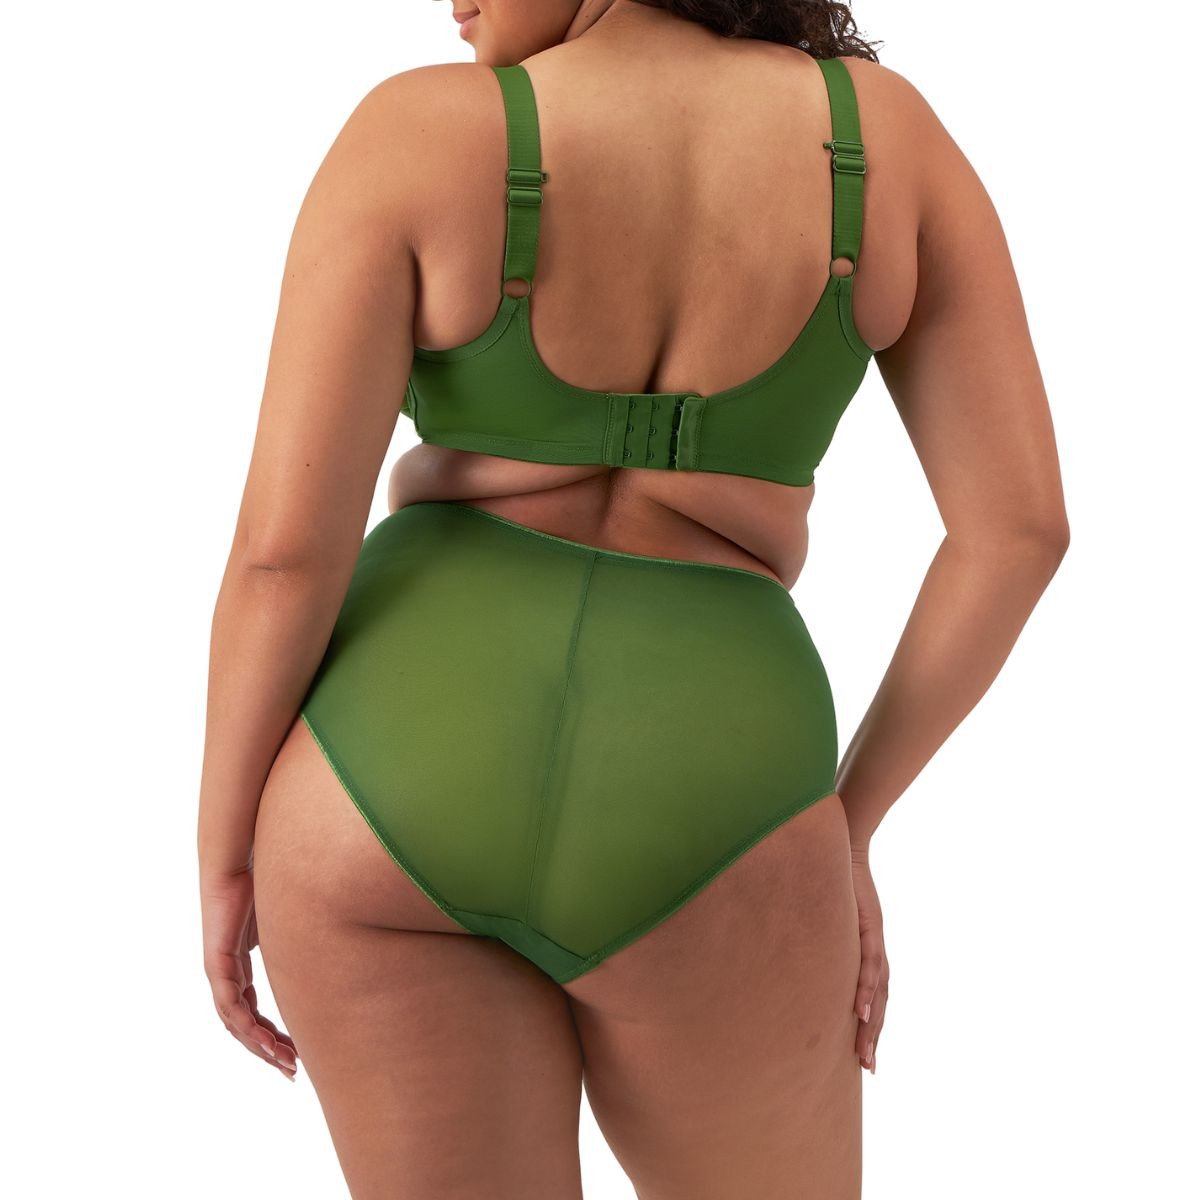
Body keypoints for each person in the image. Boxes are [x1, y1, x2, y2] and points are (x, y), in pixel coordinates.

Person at [196, 1, 1070, 1196]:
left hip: (381, 780)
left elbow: (282, 559)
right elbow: (1019, 532)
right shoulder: (885, 142)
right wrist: (846, 822)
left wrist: (227, 850)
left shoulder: (417, 133)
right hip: (721, 791)